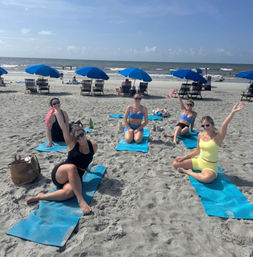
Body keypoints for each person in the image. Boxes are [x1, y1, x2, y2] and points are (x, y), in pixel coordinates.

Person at [27, 112, 98, 214]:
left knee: (69, 193)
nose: (80, 138)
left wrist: (86, 168)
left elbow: (87, 159)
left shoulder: (93, 146)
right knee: (72, 167)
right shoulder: (72, 144)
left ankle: (42, 196)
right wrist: (58, 111)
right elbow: (64, 127)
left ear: (85, 133)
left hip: (74, 178)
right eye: (77, 137)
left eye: (82, 135)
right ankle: (81, 201)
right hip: (61, 173)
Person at [172, 103, 245, 183]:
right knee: (175, 163)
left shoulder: (218, 137)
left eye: (207, 125)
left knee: (206, 179)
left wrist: (232, 112)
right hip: (199, 161)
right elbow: (197, 151)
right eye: (203, 126)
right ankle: (190, 169)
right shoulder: (200, 135)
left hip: (210, 166)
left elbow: (224, 124)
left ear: (212, 125)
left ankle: (188, 172)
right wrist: (184, 157)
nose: (205, 127)